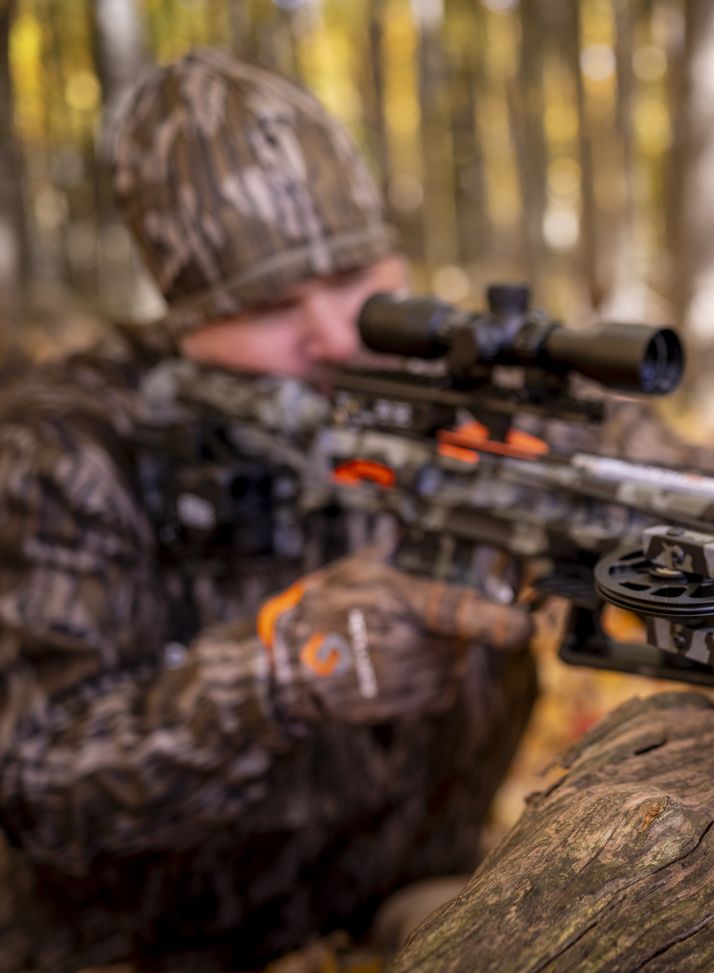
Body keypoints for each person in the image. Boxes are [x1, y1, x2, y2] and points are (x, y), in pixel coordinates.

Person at [0, 48, 537, 971]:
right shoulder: (64, 449)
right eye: (270, 304)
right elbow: (39, 781)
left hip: (419, 902)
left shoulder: (470, 385)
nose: (332, 334)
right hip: (144, 949)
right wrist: (283, 670)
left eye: (357, 277)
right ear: (184, 317)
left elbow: (709, 520)